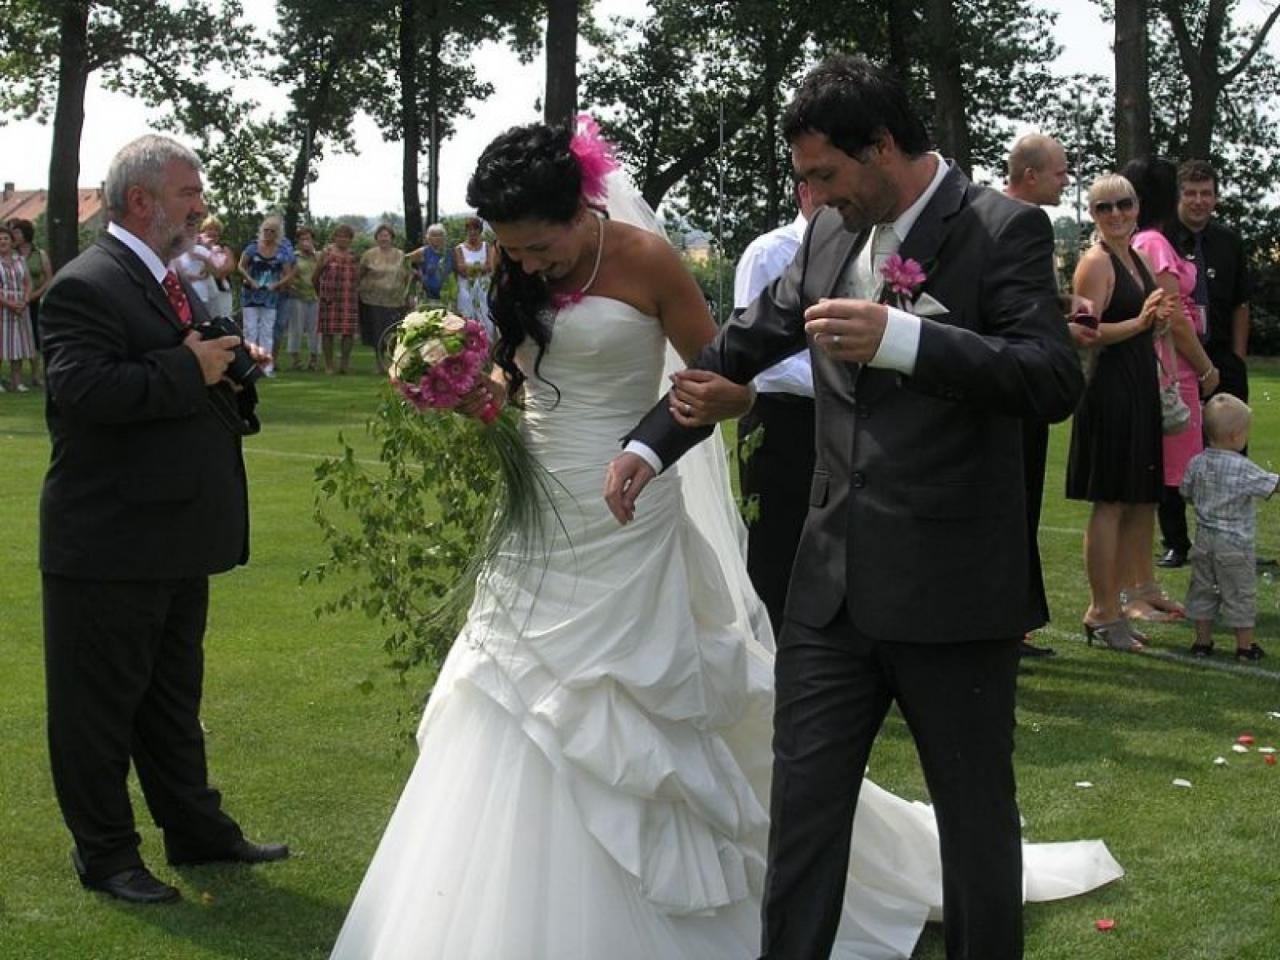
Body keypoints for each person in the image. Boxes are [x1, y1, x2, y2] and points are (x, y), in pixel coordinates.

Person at [330, 118, 1118, 960]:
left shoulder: (651, 259)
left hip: (640, 526)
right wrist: (468, 387)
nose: (525, 265)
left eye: (538, 246)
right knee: (508, 698)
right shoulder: (522, 272)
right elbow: (531, 380)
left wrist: (691, 420)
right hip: (539, 518)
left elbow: (724, 375)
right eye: (512, 250)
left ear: (579, 209)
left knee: (647, 715)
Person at [607, 56, 1089, 960]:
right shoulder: (829, 233)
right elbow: (743, 341)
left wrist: (908, 339)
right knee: (802, 815)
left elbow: (1051, 377)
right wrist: (650, 442)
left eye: (825, 172)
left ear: (883, 146)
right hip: (829, 590)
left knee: (974, 822)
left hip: (954, 590)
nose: (814, 194)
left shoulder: (1004, 228)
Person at [38, 134, 286, 906]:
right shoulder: (86, 284)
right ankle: (106, 854)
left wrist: (227, 366)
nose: (200, 208)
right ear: (142, 200)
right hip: (110, 538)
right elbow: (84, 390)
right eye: (188, 193)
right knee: (97, 710)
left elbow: (179, 365)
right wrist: (189, 365)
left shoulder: (164, 277)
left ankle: (196, 830)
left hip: (171, 532)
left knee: (172, 700)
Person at [1066, 174, 1170, 653]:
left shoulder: (1138, 257)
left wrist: (1156, 323)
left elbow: (1144, 324)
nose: (1115, 214)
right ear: (1092, 215)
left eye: (1123, 204)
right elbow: (1084, 331)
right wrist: (1140, 322)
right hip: (1108, 391)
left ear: (1137, 206)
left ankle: (1124, 602)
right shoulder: (1096, 262)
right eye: (1103, 207)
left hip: (1138, 385)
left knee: (1132, 498)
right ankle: (1101, 610)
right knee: (1109, 501)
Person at [1124, 157, 1219, 622]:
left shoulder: (1144, 241)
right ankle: (1135, 589)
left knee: (1156, 488)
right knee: (1158, 487)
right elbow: (1175, 317)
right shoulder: (1154, 243)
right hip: (1170, 378)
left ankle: (1144, 586)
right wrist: (1206, 368)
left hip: (1165, 374)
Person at [1004, 133, 1079, 658]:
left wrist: (1061, 305)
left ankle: (1016, 621)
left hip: (1014, 383)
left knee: (1021, 506)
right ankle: (1008, 623)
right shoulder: (1021, 221)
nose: (1066, 181)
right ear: (1030, 175)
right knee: (1015, 505)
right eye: (1060, 172)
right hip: (1016, 384)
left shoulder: (995, 218)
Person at [732, 179, 817, 634]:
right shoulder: (769, 253)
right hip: (780, 419)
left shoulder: (860, 251)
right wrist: (836, 378)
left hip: (838, 420)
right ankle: (773, 647)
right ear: (804, 193)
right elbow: (756, 357)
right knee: (776, 547)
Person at [1162, 159, 1254, 568]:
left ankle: (1230, 540)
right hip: (1176, 358)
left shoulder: (1229, 242)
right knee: (1174, 447)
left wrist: (1237, 357)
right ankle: (1176, 542)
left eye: (1207, 193)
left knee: (1231, 449)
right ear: (1179, 195)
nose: (1199, 201)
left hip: (1222, 357)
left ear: (1216, 197)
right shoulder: (1162, 240)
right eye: (1191, 193)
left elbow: (1240, 304)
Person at [1181, 393, 1276, 661]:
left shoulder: (1196, 462)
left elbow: (1185, 492)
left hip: (1203, 541)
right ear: (1236, 436)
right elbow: (1270, 484)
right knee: (1240, 593)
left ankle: (1202, 643)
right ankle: (1245, 647)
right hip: (1235, 545)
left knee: (1202, 590)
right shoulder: (1242, 467)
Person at [237, 214, 295, 377]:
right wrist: (250, 280)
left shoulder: (282, 251)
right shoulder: (252, 248)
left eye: (272, 231)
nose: (268, 233)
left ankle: (266, 367)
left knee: (267, 331)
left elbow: (289, 274)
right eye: (266, 230)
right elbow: (240, 266)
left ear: (277, 233)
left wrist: (277, 284)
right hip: (250, 295)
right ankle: (249, 366)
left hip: (270, 296)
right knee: (250, 330)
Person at [358, 223, 409, 373]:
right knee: (377, 333)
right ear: (376, 238)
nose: (384, 238)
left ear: (392, 238)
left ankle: (393, 363)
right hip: (373, 300)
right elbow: (360, 274)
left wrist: (409, 296)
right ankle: (379, 364)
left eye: (386, 235)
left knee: (394, 334)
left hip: (396, 301)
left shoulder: (401, 255)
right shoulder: (368, 255)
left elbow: (408, 276)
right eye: (381, 236)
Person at [10, 218, 51, 387]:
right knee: (14, 337)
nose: (14, 236)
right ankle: (16, 377)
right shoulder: (11, 254)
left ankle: (36, 374)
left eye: (17, 232)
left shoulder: (39, 254)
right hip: (13, 301)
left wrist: (35, 295)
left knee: (34, 336)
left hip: (33, 300)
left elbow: (48, 277)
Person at [315, 223, 359, 374]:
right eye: (340, 236)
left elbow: (358, 276)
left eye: (346, 237)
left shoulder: (354, 255)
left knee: (348, 332)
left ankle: (344, 364)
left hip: (348, 297)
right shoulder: (326, 253)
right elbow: (315, 276)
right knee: (328, 332)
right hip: (329, 298)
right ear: (334, 237)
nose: (343, 239)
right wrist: (320, 293)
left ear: (350, 239)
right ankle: (329, 365)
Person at [0, 223, 36, 392]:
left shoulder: (20, 260)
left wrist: (25, 300)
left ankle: (17, 381)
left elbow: (28, 282)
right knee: (1, 343)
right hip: (2, 306)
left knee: (18, 344)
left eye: (5, 238)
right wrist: (9, 303)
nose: (2, 241)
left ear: (11, 241)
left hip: (21, 306)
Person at [453, 215, 496, 335]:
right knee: (467, 318)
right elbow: (461, 270)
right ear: (466, 231)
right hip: (466, 288)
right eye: (469, 229)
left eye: (475, 229)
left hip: (483, 288)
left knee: (486, 317)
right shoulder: (459, 249)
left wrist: (470, 267)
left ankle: (487, 343)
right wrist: (480, 268)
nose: (472, 232)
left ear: (480, 231)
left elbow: (489, 267)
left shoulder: (486, 246)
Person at [285, 225, 320, 370]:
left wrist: (314, 254)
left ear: (313, 241)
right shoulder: (293, 257)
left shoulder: (318, 256)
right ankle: (296, 360)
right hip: (297, 296)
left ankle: (314, 359)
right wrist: (292, 287)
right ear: (298, 241)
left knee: (315, 330)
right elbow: (286, 274)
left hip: (315, 297)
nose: (306, 242)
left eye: (308, 239)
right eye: (302, 239)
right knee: (296, 328)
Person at [198, 216, 236, 320]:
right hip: (201, 289)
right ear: (203, 231)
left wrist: (213, 270)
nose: (213, 232)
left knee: (223, 317)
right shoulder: (196, 247)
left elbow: (230, 267)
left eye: (216, 230)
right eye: (210, 229)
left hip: (221, 289)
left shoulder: (224, 248)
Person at [406, 223, 453, 308]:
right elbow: (405, 260)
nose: (437, 238)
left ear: (444, 237)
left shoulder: (450, 253)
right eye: (434, 235)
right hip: (427, 296)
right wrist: (416, 273)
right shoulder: (423, 252)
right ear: (428, 238)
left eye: (440, 235)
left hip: (446, 297)